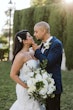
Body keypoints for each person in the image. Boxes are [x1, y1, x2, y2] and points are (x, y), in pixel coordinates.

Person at [9, 30, 45, 110]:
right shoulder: (20, 56)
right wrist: (26, 86)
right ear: (24, 41)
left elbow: (45, 44)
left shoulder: (33, 51)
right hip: (25, 87)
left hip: (36, 86)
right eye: (29, 36)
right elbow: (13, 74)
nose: (32, 37)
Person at [32, 21, 63, 110]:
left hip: (53, 86)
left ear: (44, 31)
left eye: (36, 31)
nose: (34, 34)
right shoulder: (42, 45)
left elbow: (47, 63)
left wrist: (36, 51)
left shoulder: (56, 44)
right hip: (43, 86)